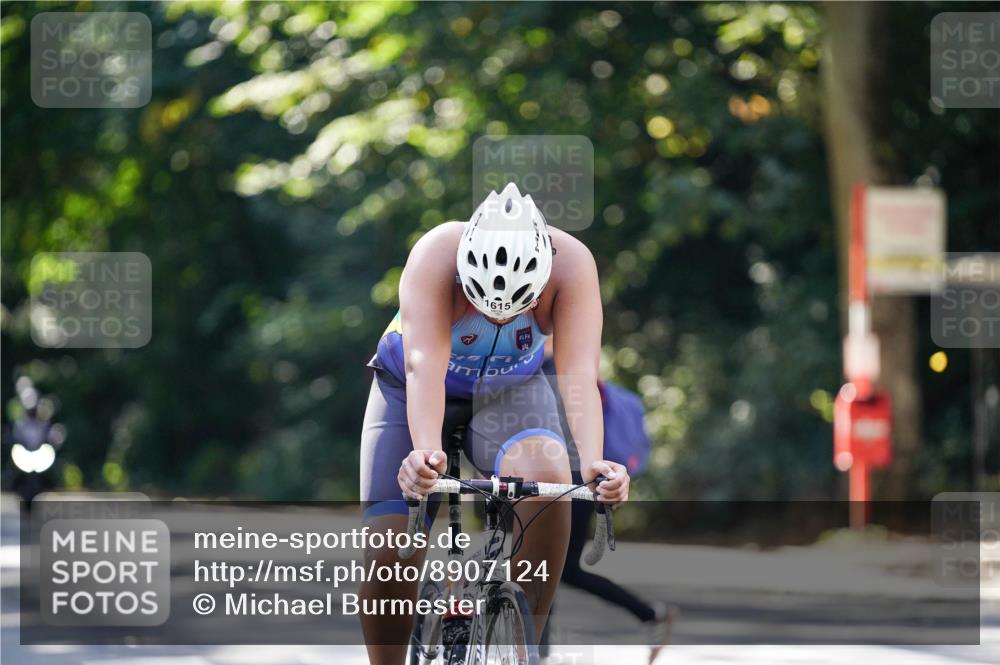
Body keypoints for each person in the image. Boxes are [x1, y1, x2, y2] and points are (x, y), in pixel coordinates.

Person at [359, 182, 630, 664]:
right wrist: (423, 455)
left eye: (515, 312)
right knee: (390, 550)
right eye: (483, 308)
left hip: (509, 393)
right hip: (410, 386)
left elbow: (579, 376)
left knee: (551, 477)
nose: (498, 323)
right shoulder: (436, 253)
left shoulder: (572, 265)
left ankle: (522, 645)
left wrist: (594, 463)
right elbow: (424, 366)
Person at [540, 346, 677, 664]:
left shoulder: (549, 368)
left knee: (553, 567)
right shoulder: (565, 367)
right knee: (553, 567)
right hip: (574, 478)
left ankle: (649, 614)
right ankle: (648, 615)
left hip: (572, 479)